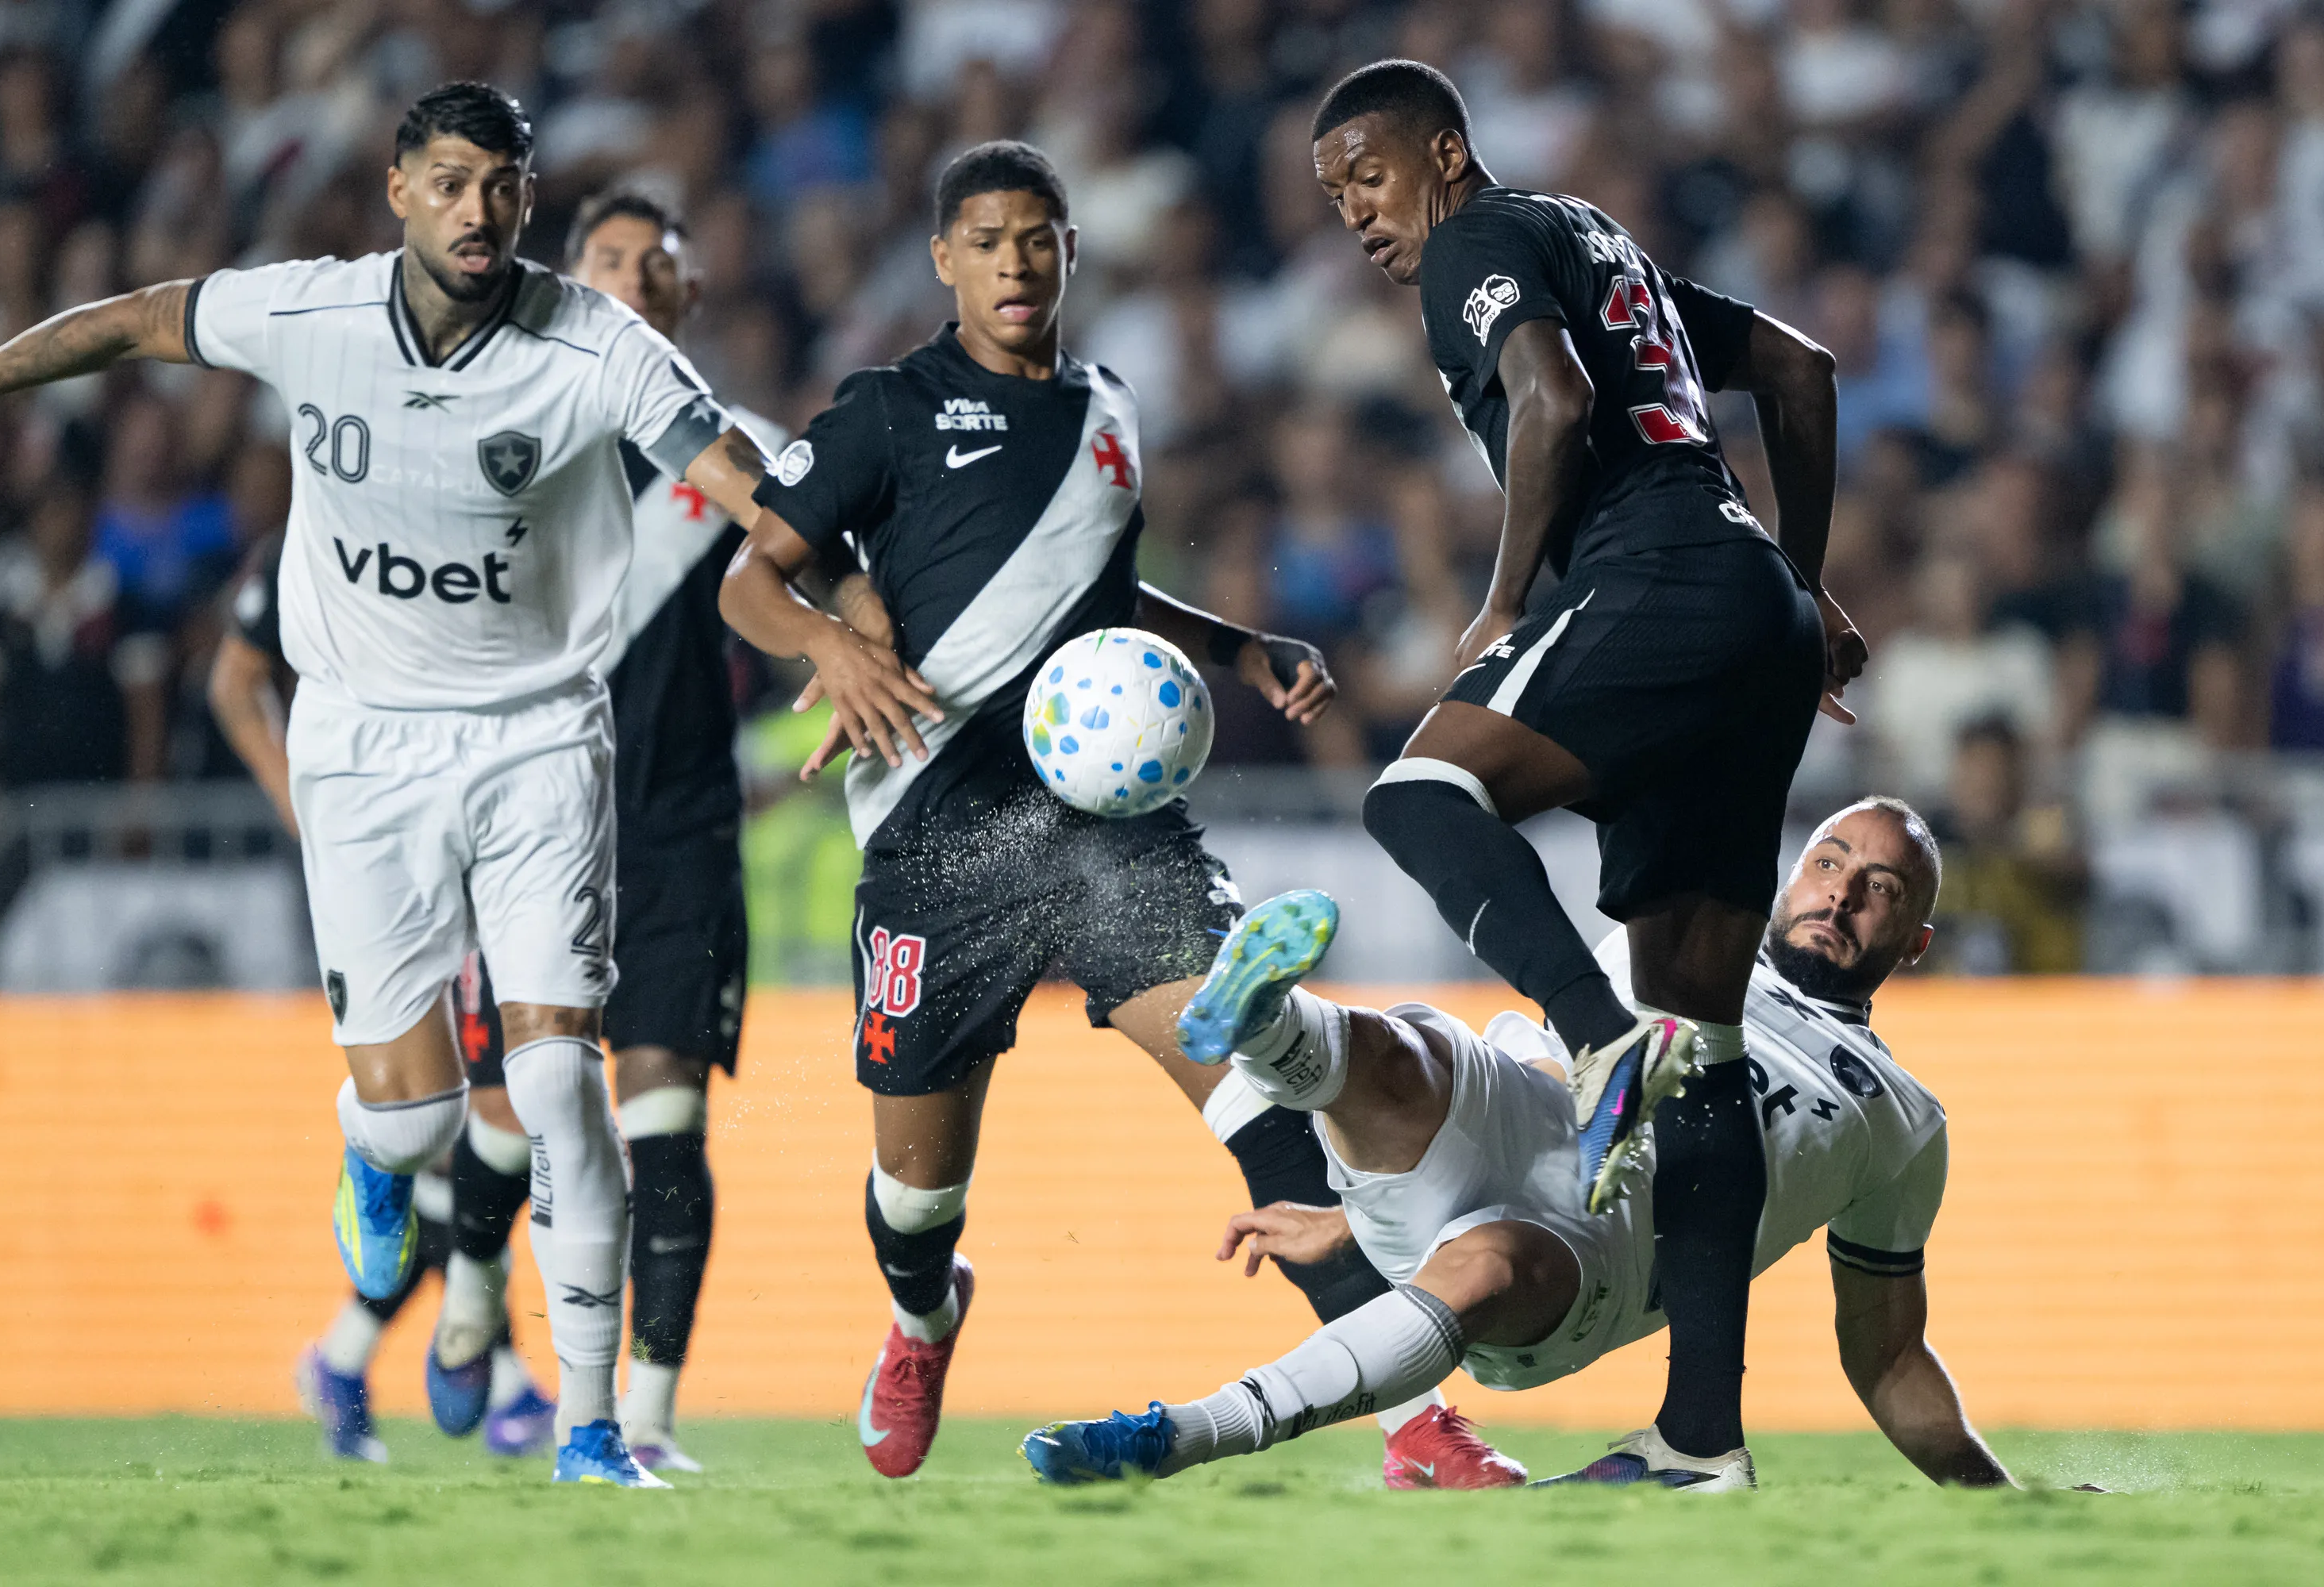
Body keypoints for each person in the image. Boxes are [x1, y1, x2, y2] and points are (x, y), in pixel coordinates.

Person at [0, 80, 774, 1488]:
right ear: (398, 188)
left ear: (526, 199)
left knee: (560, 1077)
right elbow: (131, 323)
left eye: (503, 186)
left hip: (533, 736)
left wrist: (854, 604)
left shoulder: (594, 342)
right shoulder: (306, 311)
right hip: (363, 743)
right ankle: (376, 1161)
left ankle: (591, 1429)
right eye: (449, 182)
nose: (477, 211)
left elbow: (746, 478)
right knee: (415, 1114)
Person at [721, 140, 1523, 1490]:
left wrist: (1236, 644)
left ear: (1073, 251)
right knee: (915, 1196)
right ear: (944, 260)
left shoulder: (1107, 407)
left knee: (1259, 1085)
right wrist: (829, 648)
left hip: (1104, 828)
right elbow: (753, 581)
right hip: (937, 835)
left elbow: (1091, 601)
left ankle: (1411, 1422)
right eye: (986, 240)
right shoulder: (888, 409)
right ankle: (925, 1318)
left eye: (1039, 236)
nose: (1016, 262)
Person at [1308, 60, 1862, 1484]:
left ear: (1443, 156)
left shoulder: (1477, 245)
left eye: (1368, 178)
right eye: (1335, 198)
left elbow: (1547, 400)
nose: (1359, 216)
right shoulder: (1593, 238)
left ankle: (1587, 1033)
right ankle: (1701, 1440)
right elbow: (1804, 368)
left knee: (1419, 793)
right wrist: (1799, 598)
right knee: (1711, 1034)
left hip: (1655, 574)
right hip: (1749, 610)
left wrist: (1503, 607)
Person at [1026, 800, 2012, 1493]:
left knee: (1491, 1264)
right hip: (1536, 1117)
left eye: (1879, 887)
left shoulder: (1905, 1117)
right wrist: (1352, 1217)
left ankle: (1173, 1435)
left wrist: (1999, 1501)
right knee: (1417, 1048)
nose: (1839, 895)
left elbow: (1886, 1353)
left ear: (1915, 938)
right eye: (1830, 861)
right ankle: (1265, 1025)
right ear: (1795, 869)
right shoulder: (1664, 946)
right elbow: (1549, 1060)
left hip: (1606, 1258)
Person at [425, 189, 783, 1475]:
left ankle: (645, 1421)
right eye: (612, 261)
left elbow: (820, 572)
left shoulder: (744, 456)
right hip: (533, 826)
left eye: (659, 266)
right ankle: (472, 1285)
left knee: (664, 1126)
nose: (636, 280)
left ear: (688, 300)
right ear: (576, 285)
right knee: (508, 1122)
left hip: (681, 834)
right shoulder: (504, 435)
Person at [210, 535, 556, 1464]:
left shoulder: (479, 519)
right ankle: (495, 1376)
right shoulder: (318, 542)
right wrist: (311, 819)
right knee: (450, 1127)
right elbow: (234, 681)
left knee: (484, 1126)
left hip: (485, 848)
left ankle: (354, 1356)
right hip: (386, 871)